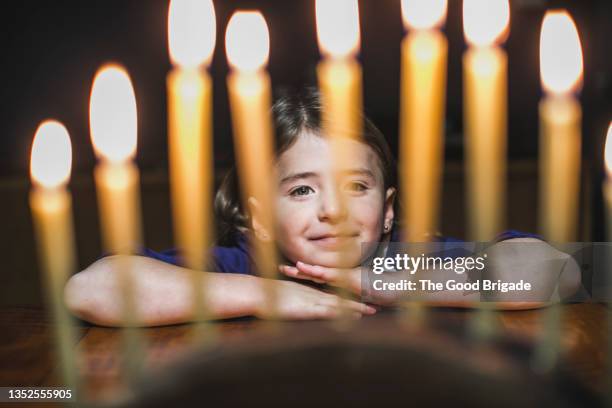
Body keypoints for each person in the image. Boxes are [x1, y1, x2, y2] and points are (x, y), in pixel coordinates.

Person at [64, 88, 581, 326]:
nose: (333, 208)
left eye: (357, 186)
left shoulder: (404, 257)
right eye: (302, 190)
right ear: (259, 217)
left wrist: (393, 284)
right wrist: (265, 296)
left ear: (388, 209)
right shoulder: (242, 263)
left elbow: (558, 273)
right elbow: (89, 289)